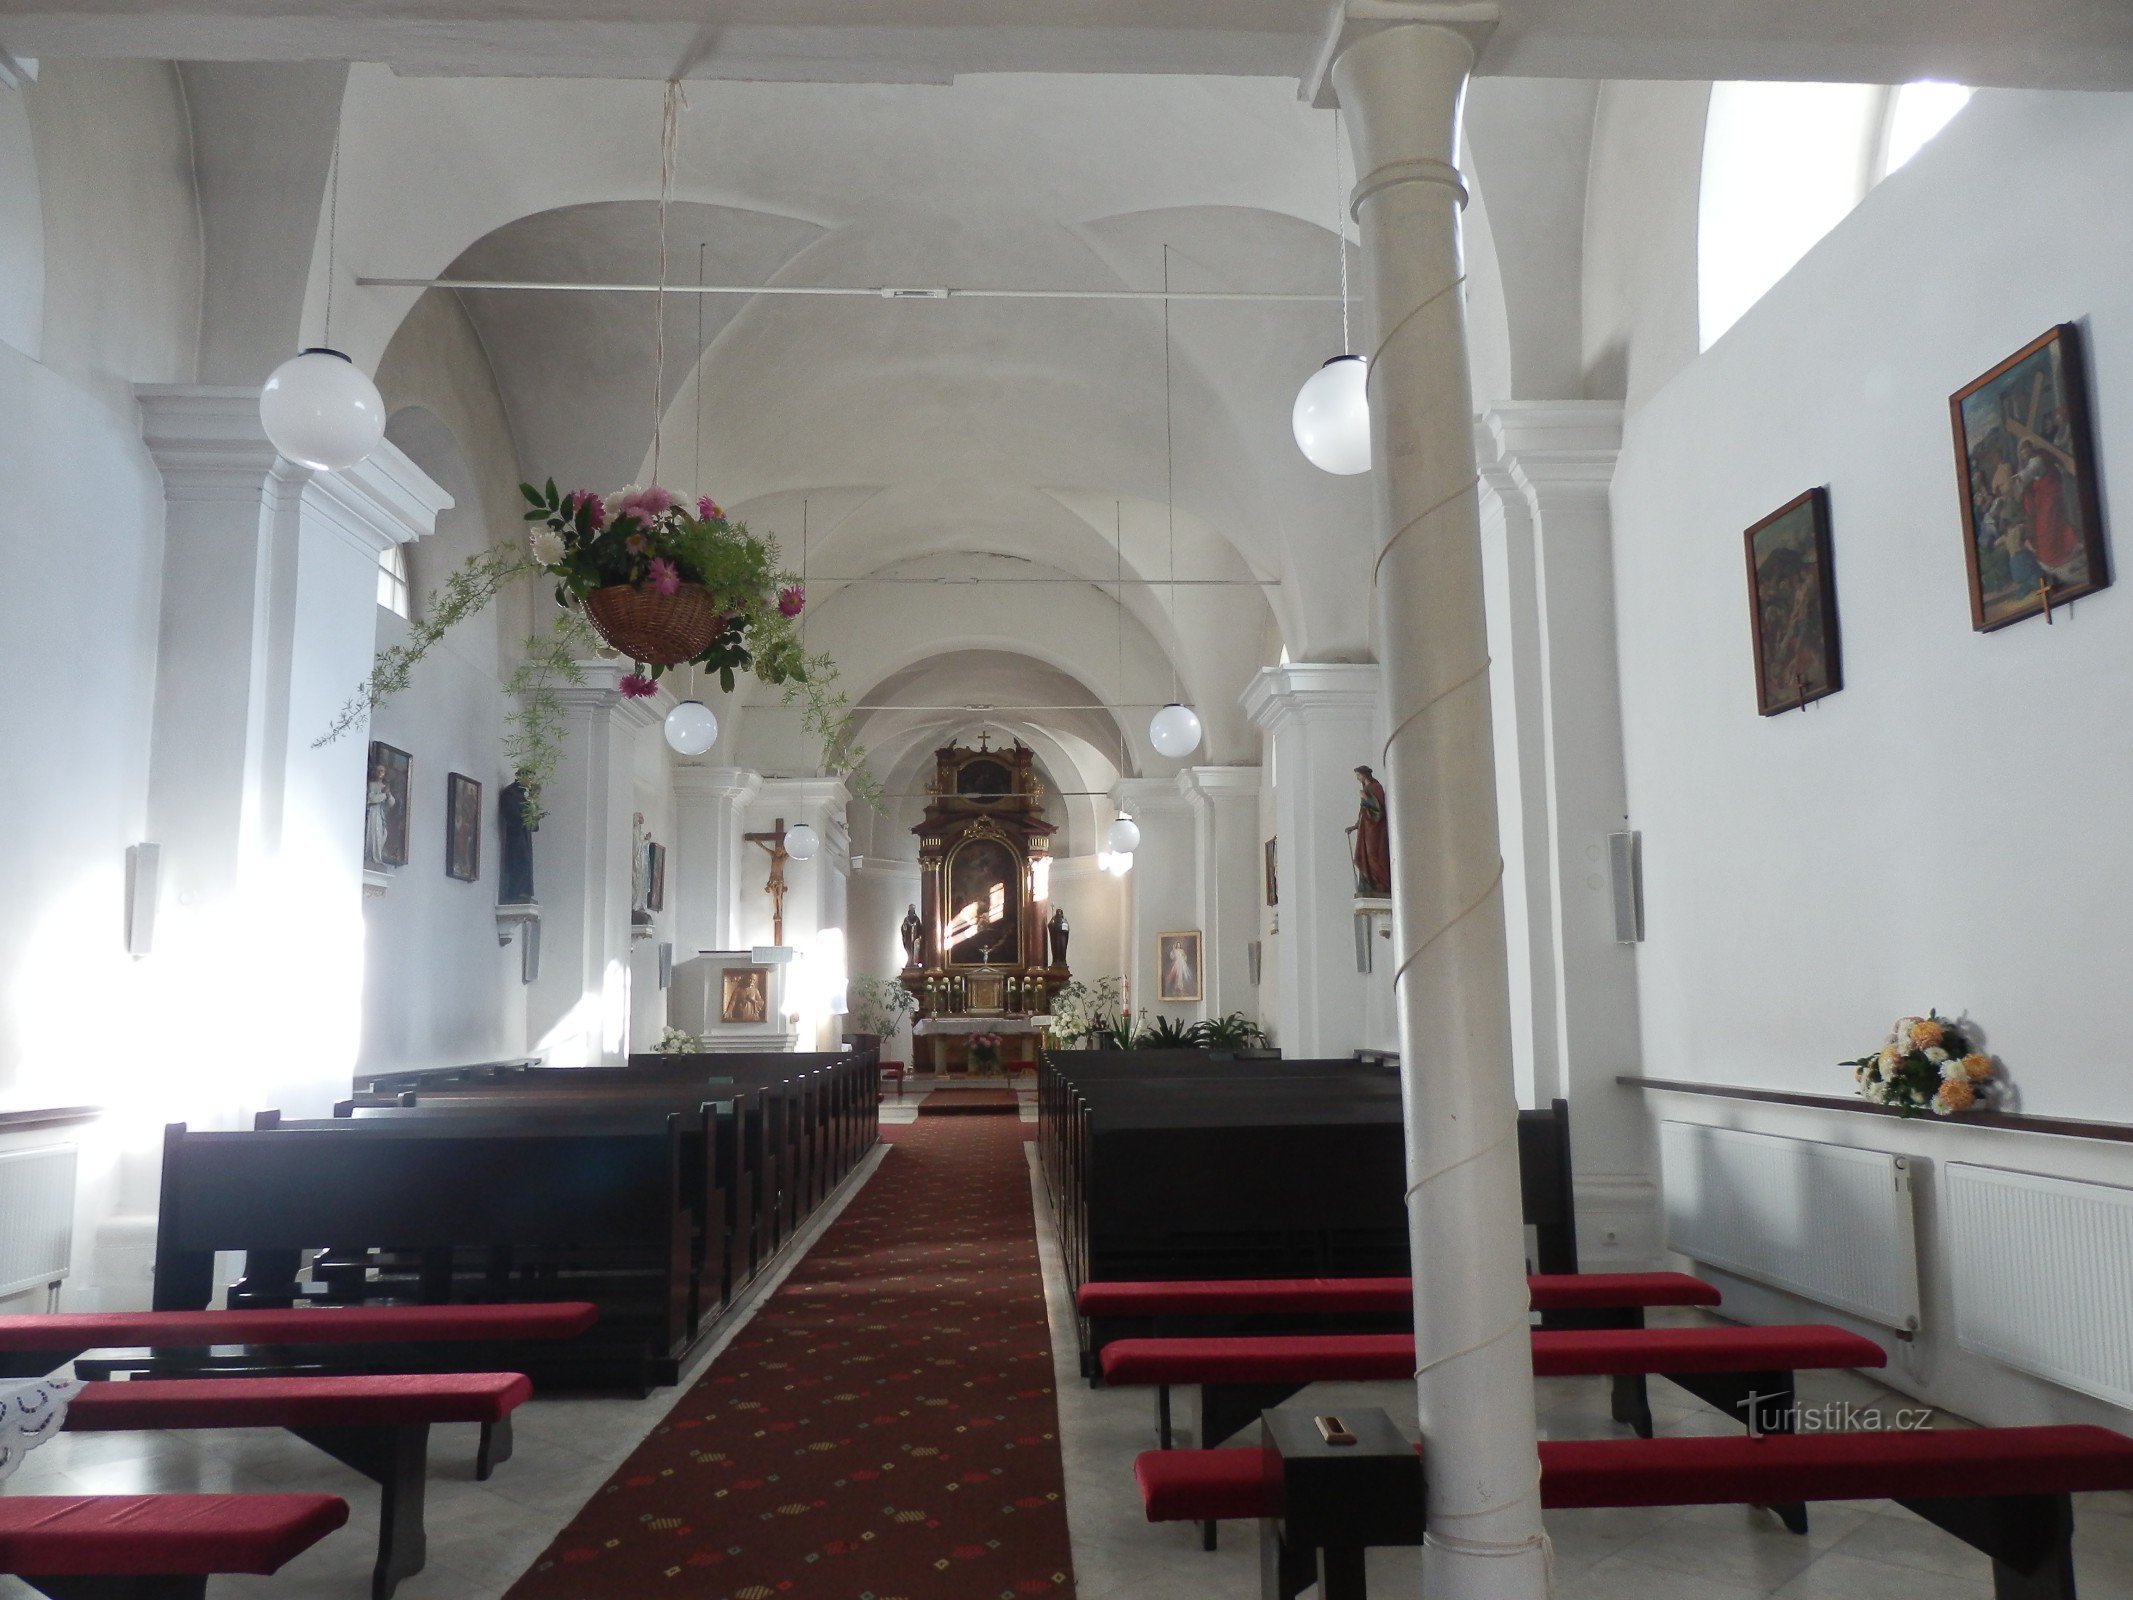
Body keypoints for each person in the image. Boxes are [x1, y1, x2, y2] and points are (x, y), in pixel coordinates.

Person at [1349, 765, 1391, 895]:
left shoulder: (1376, 787)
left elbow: (1379, 809)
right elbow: (1362, 811)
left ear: (1364, 774)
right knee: (1364, 855)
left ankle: (1381, 883)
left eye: (1358, 775)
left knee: (1373, 854)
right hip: (1365, 827)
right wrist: (1355, 826)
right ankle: (1369, 883)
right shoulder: (1366, 789)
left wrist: (1366, 797)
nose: (1357, 778)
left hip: (1375, 829)